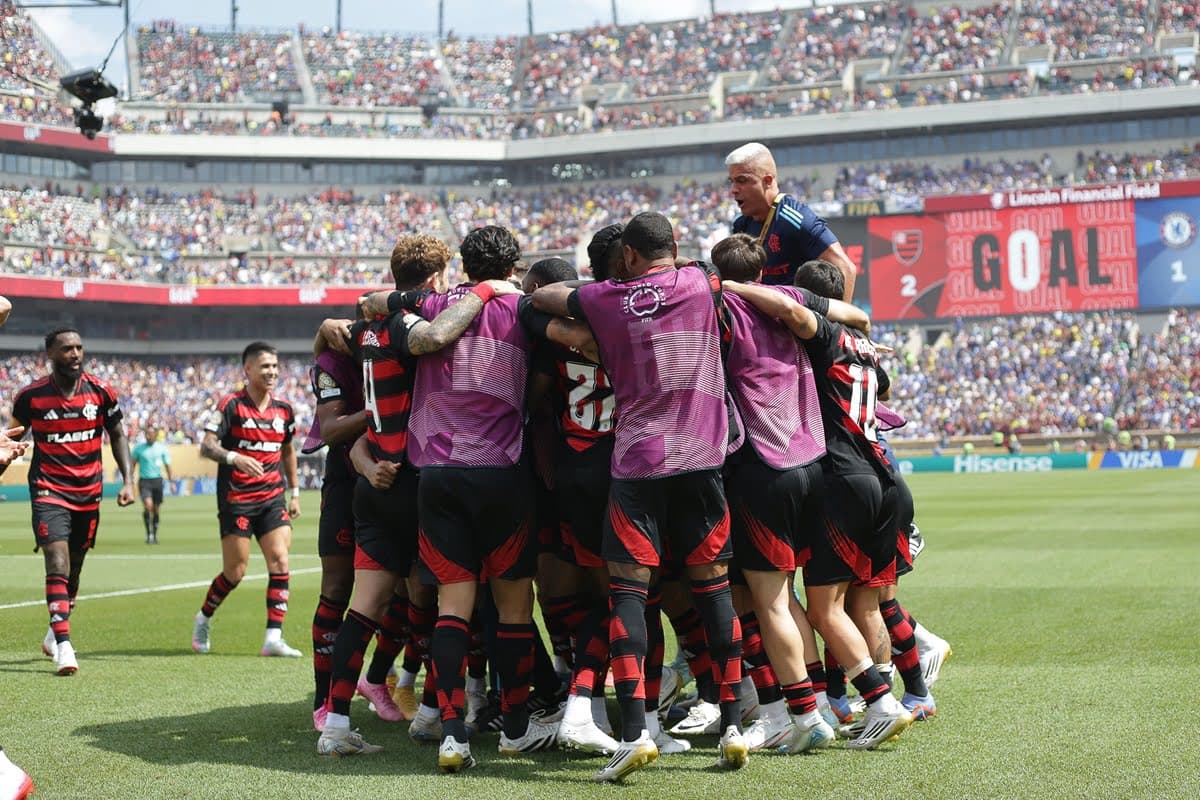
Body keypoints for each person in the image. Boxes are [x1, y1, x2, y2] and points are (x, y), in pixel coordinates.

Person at [532, 212, 749, 782]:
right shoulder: (701, 282)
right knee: (713, 592)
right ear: (673, 249)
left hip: (637, 464)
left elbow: (547, 295)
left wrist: (588, 292)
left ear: (627, 255)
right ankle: (731, 723)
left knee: (629, 595)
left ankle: (634, 734)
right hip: (703, 460)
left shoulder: (605, 299)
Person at [722, 259, 914, 750]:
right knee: (865, 602)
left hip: (843, 476)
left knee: (823, 608)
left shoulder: (823, 334)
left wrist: (730, 285)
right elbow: (883, 384)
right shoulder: (864, 344)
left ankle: (877, 702)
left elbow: (792, 309)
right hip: (885, 475)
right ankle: (878, 695)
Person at [398, 226, 561, 773]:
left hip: (437, 473)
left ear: (462, 266)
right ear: (514, 265)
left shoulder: (431, 303)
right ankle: (515, 731)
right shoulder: (525, 308)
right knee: (514, 606)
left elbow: (375, 316)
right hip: (502, 470)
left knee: (452, 608)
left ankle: (452, 736)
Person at [3, 327, 136, 676]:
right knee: (57, 562)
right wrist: (7, 454)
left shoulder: (101, 392)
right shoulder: (30, 397)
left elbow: (118, 434)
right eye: (66, 349)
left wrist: (128, 479)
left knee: (74, 568)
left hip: (88, 493)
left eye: (79, 347)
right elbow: (11, 437)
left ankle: (52, 633)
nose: (75, 354)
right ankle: (64, 645)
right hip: (49, 490)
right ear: (50, 355)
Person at [192, 342, 303, 658]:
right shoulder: (230, 405)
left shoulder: (284, 409)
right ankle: (203, 617)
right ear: (248, 370)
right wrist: (233, 457)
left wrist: (294, 493)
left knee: (280, 559)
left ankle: (273, 638)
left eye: (275, 367)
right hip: (237, 499)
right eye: (265, 366)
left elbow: (288, 450)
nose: (271, 372)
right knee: (235, 572)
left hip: (272, 498)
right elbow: (206, 446)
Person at [303, 298, 368, 731]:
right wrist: (381, 411)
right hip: (346, 482)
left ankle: (388, 681)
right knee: (338, 587)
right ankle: (324, 698)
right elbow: (329, 430)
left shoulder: (408, 340)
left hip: (402, 475)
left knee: (409, 590)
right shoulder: (334, 357)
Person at [726, 142, 858, 298]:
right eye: (731, 181)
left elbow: (846, 268)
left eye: (742, 180)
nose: (733, 190)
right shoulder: (741, 225)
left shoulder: (796, 220)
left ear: (767, 181)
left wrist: (840, 320)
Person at [131, 422, 173, 544]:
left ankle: (154, 535)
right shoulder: (138, 448)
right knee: (148, 506)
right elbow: (132, 464)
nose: (149, 436)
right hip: (144, 481)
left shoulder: (162, 448)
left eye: (151, 434)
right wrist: (130, 479)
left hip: (157, 481)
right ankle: (148, 534)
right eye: (147, 434)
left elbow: (168, 465)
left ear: (155, 435)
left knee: (156, 509)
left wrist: (172, 482)